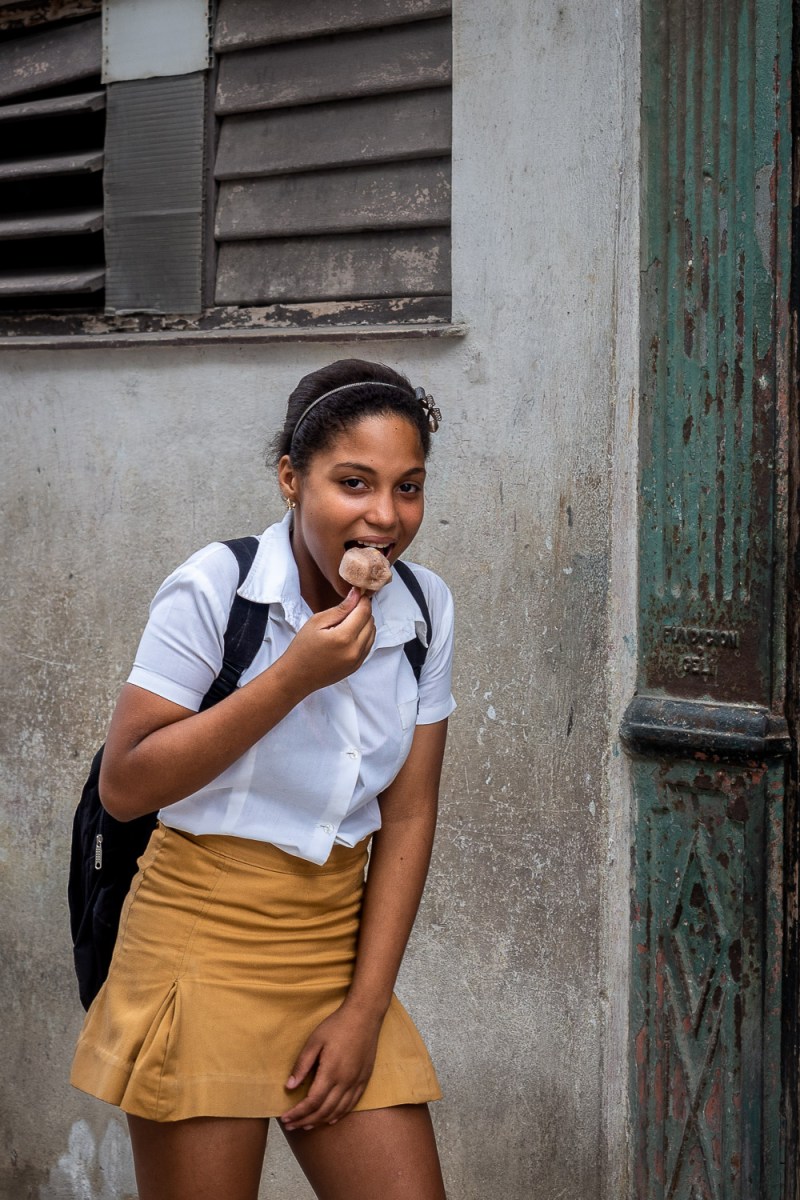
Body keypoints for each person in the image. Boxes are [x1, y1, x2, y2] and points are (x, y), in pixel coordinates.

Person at [70, 359, 456, 1200]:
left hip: (335, 950)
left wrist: (364, 1008)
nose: (385, 517)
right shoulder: (216, 588)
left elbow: (411, 814)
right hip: (199, 944)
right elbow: (128, 786)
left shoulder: (423, 610)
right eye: (354, 483)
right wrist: (291, 677)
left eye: (409, 487)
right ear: (291, 478)